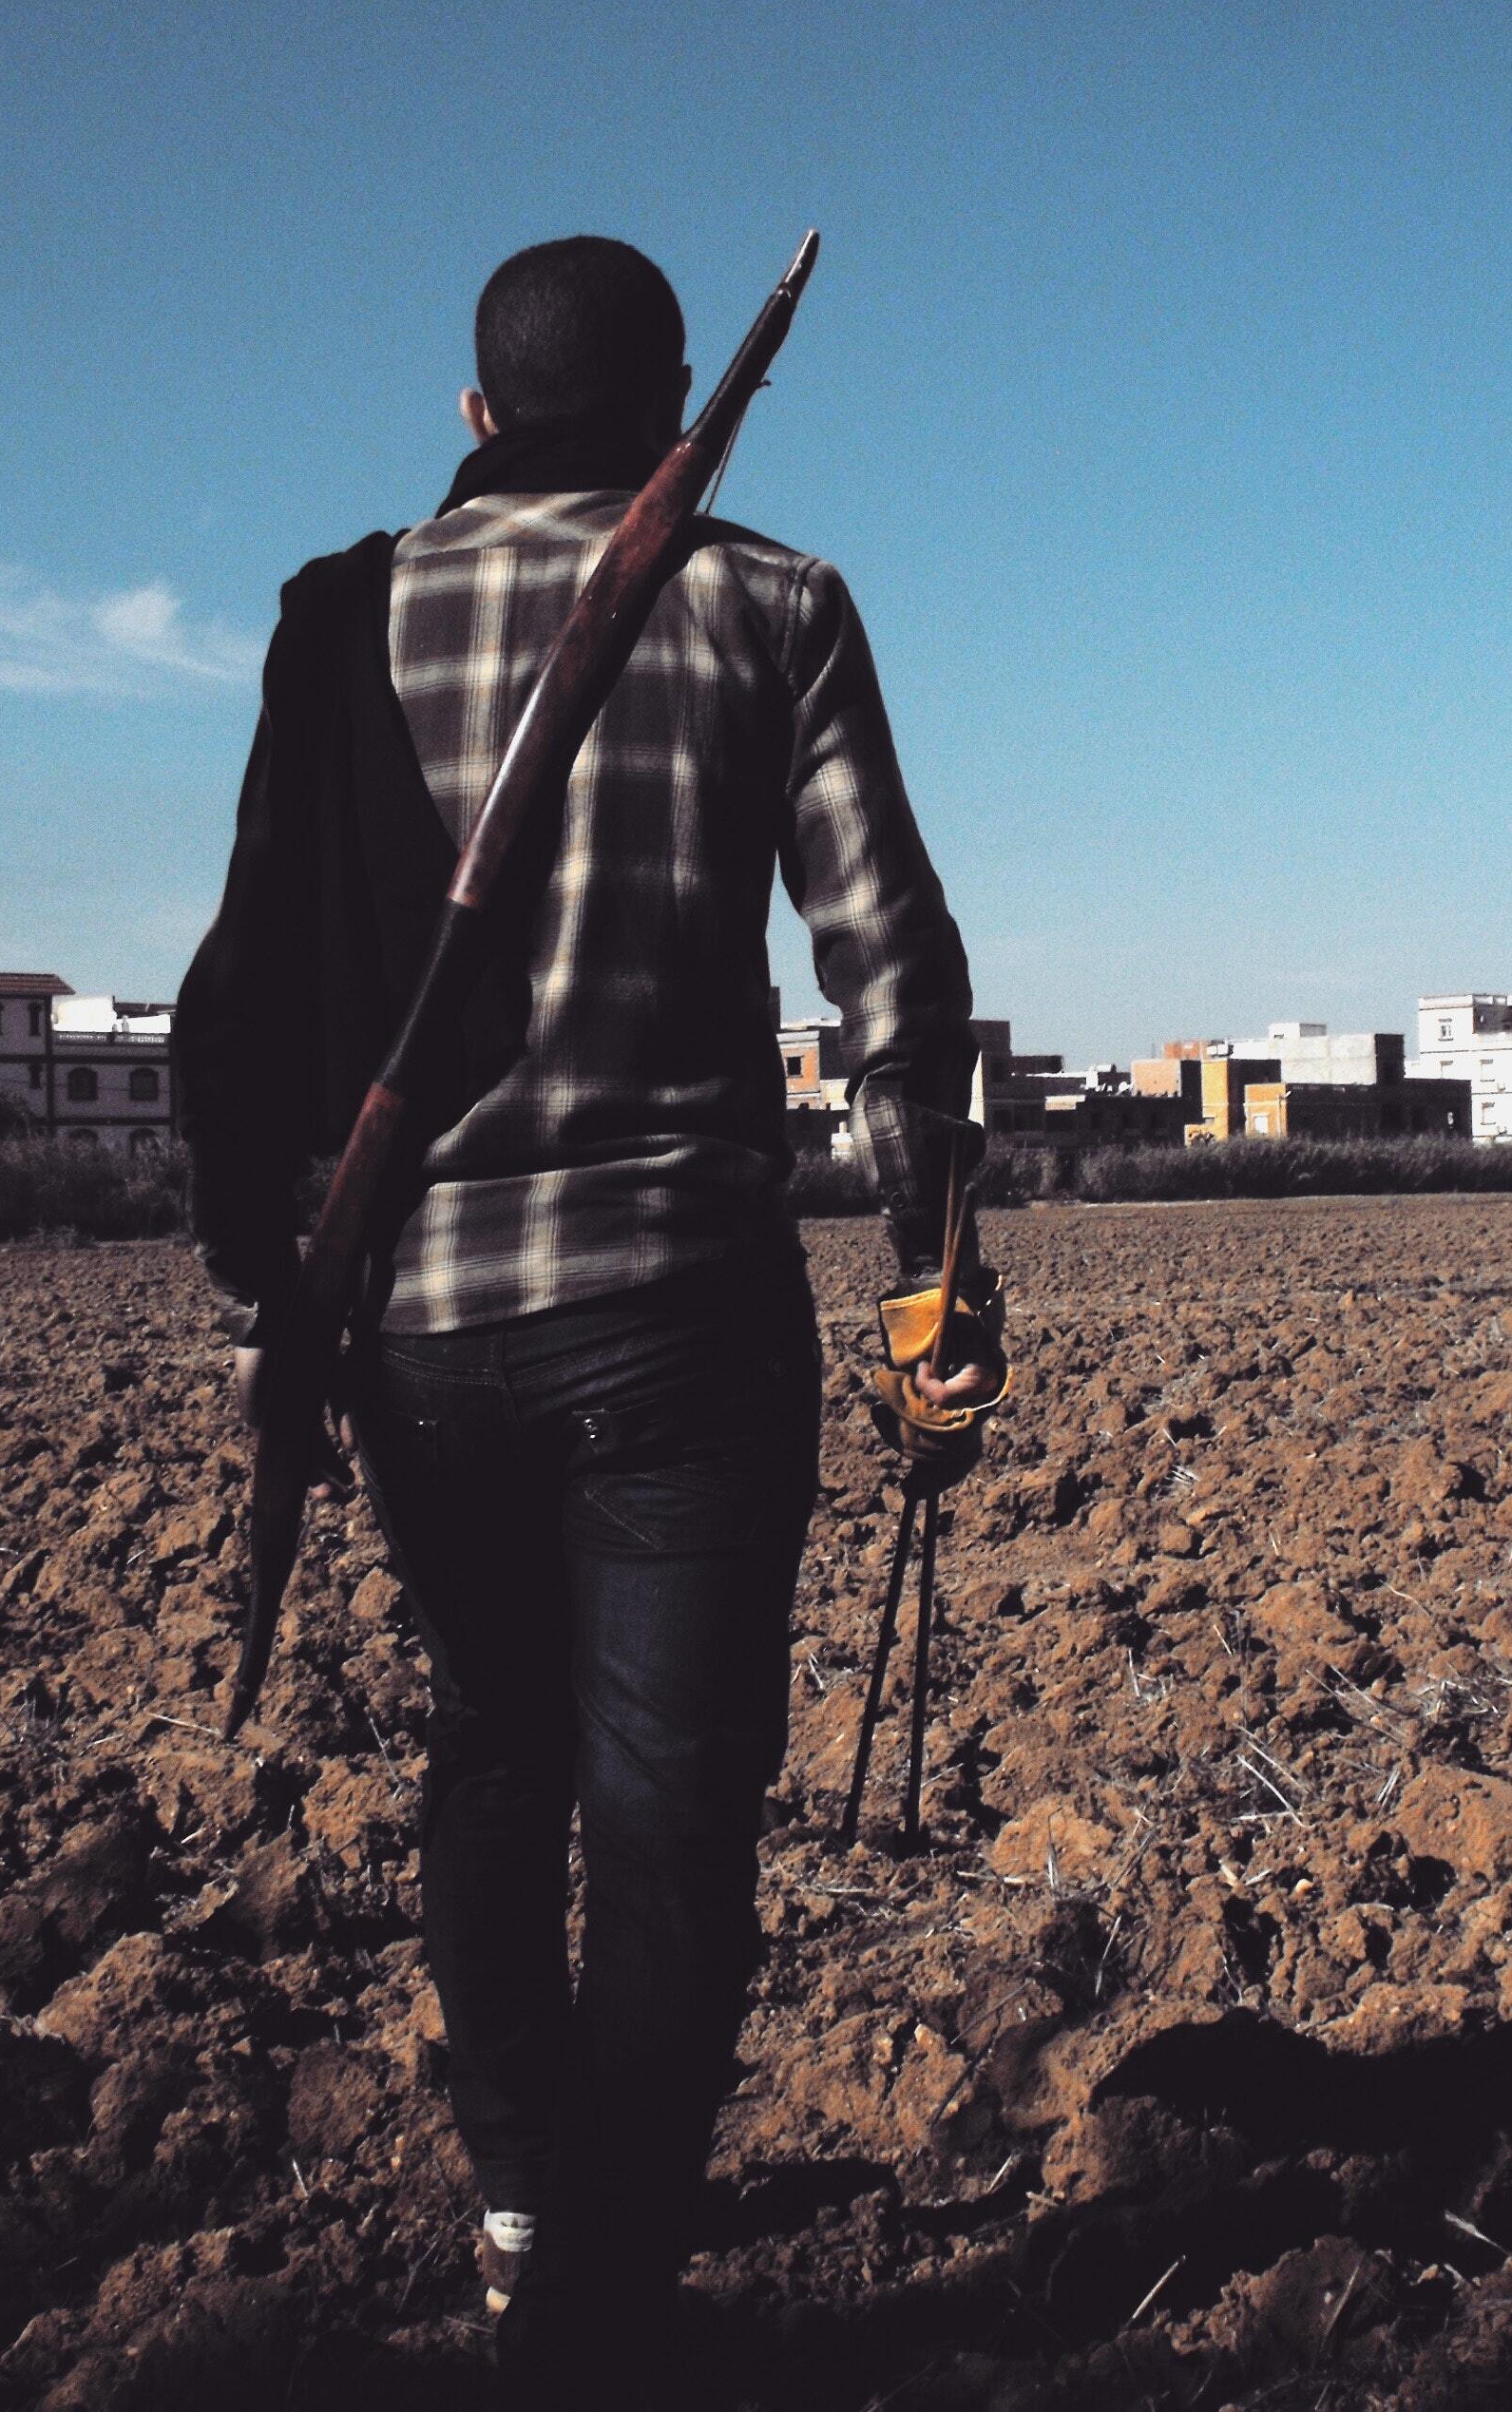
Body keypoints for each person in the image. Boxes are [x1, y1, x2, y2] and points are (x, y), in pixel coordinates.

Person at [174, 235, 1005, 2407]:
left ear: (473, 421)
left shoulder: (337, 617)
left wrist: (277, 1287)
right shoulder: (778, 604)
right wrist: (930, 1277)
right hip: (685, 1320)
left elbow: (247, 983)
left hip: (420, 1333)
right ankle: (606, 2300)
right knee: (668, 1813)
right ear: (676, 412)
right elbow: (890, 975)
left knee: (493, 1755)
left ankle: (532, 2211)